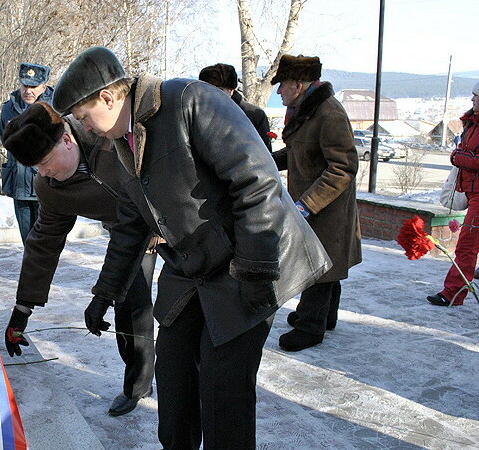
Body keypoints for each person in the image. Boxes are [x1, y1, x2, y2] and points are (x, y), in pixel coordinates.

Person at [53, 46, 330, 449]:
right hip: (193, 266)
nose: (86, 128)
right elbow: (130, 226)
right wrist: (105, 293)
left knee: (223, 391)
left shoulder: (188, 101)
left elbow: (257, 183)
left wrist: (255, 271)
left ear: (108, 98)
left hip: (250, 257)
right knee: (174, 375)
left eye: (83, 116)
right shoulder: (123, 143)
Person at [0, 102, 157, 416]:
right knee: (129, 304)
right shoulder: (50, 187)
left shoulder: (107, 137)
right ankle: (138, 384)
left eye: (45, 161)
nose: (43, 173)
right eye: (36, 167)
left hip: (172, 219)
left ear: (67, 140)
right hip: (128, 235)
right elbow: (43, 244)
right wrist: (22, 308)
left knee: (187, 307)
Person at [270, 54, 362, 352]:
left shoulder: (329, 114)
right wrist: (268, 161)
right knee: (326, 262)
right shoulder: (308, 111)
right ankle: (325, 316)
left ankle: (310, 327)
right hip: (316, 207)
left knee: (318, 266)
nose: (278, 91)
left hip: (327, 209)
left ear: (298, 85)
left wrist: (307, 204)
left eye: (282, 84)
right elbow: (298, 152)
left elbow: (343, 168)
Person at [428, 81, 479, 307]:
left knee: (467, 244)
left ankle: (453, 293)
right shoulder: (472, 122)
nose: (472, 99)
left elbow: (468, 157)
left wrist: (458, 157)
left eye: (476, 95)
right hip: (471, 189)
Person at [0, 62, 53, 243]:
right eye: (25, 86)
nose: (28, 91)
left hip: (45, 182)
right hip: (19, 183)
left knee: (46, 240)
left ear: (43, 87)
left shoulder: (54, 108)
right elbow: (5, 138)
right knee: (27, 240)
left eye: (33, 87)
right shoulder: (9, 108)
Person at [199, 63, 273, 150]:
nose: (213, 94)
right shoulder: (197, 113)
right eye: (207, 90)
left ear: (231, 90)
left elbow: (264, 152)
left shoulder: (253, 115)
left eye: (219, 90)